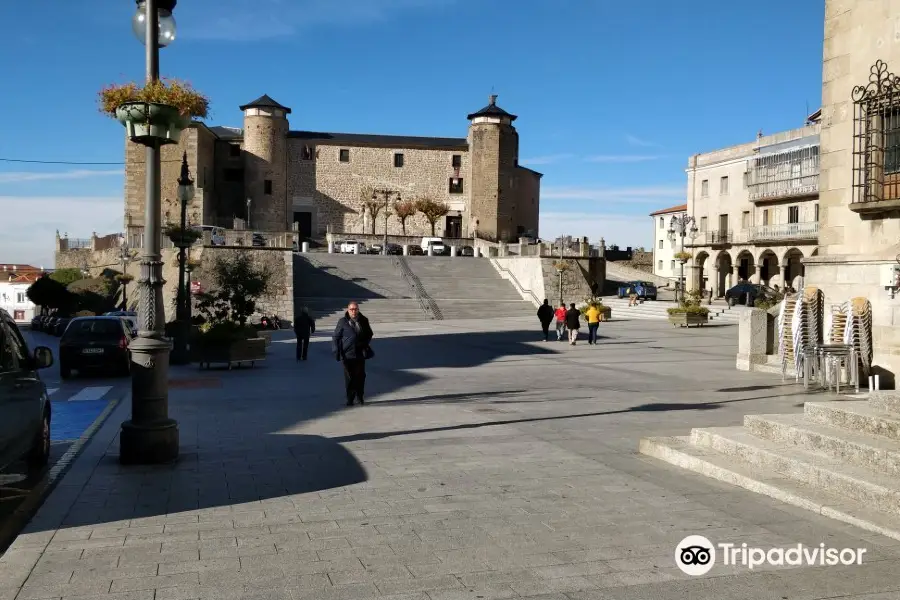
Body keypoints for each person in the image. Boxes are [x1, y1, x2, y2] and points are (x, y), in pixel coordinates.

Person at [332, 301, 373, 406]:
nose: (353, 311)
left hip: (359, 353)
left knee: (360, 376)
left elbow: (369, 333)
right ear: (348, 310)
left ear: (358, 310)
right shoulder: (342, 321)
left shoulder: (364, 320)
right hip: (347, 354)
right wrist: (336, 351)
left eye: (355, 309)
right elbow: (336, 337)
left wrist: (364, 344)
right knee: (349, 377)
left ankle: (360, 397)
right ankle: (350, 398)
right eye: (351, 309)